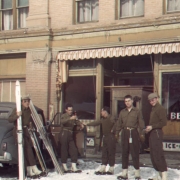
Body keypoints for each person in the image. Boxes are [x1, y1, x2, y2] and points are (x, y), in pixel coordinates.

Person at [8, 95, 43, 179]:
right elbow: (10, 119)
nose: (27, 103)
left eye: (28, 101)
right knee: (26, 150)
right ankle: (33, 168)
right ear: (21, 102)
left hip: (26, 131)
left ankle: (29, 170)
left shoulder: (29, 111)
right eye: (25, 101)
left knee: (28, 150)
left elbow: (32, 121)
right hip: (18, 131)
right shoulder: (18, 109)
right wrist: (17, 115)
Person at [116, 95, 145, 180]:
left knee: (134, 153)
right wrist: (117, 133)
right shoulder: (122, 112)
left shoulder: (137, 111)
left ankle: (137, 174)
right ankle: (124, 173)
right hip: (125, 132)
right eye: (125, 101)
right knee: (124, 153)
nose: (127, 103)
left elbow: (141, 123)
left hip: (134, 133)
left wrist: (142, 133)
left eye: (129, 101)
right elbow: (119, 123)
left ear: (132, 101)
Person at [86, 107, 116, 175]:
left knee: (111, 152)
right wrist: (87, 124)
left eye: (101, 111)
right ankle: (103, 166)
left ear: (105, 112)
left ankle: (111, 168)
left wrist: (113, 129)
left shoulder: (111, 118)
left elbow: (117, 123)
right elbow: (96, 122)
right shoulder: (102, 119)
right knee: (104, 152)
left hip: (111, 137)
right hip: (105, 137)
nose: (101, 113)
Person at [145, 93, 167, 180]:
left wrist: (152, 127)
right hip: (152, 133)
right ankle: (158, 174)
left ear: (157, 99)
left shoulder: (160, 108)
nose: (152, 102)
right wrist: (148, 128)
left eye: (153, 100)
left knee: (158, 154)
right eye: (150, 101)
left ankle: (164, 176)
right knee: (153, 155)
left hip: (157, 133)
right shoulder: (153, 109)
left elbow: (163, 122)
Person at [59, 103, 84, 173]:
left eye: (71, 110)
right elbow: (62, 121)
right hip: (64, 133)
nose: (70, 111)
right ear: (66, 110)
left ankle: (74, 166)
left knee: (74, 150)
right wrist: (70, 118)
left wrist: (80, 124)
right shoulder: (64, 116)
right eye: (69, 110)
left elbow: (77, 121)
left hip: (70, 134)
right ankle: (64, 166)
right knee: (64, 150)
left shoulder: (73, 116)